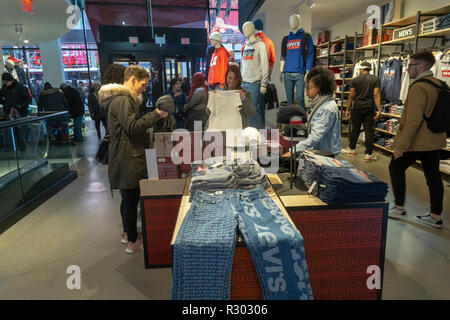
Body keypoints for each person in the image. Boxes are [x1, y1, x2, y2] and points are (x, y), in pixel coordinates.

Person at [98, 65, 171, 254]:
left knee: (127, 198)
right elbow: (132, 126)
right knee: (131, 199)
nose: (144, 88)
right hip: (128, 156)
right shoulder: (123, 100)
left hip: (124, 154)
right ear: (132, 80)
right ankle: (132, 241)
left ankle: (127, 234)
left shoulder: (119, 99)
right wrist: (156, 114)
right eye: (143, 84)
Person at [388, 51, 446, 229]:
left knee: (395, 167)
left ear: (420, 66)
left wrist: (401, 146)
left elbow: (412, 120)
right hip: (435, 139)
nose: (406, 69)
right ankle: (435, 216)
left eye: (410, 65)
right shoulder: (440, 84)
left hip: (417, 142)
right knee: (433, 176)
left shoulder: (419, 87)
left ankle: (398, 207)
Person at [293, 66, 342, 156]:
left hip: (327, 154)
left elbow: (315, 137)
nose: (306, 91)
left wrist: (293, 150)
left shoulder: (326, 109)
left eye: (309, 88)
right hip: (321, 149)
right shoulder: (321, 103)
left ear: (318, 88)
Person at [342, 61, 381, 162]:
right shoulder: (375, 79)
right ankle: (368, 154)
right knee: (369, 131)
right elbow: (376, 94)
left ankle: (351, 149)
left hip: (357, 107)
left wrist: (347, 108)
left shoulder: (355, 80)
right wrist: (379, 109)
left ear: (361, 69)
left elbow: (351, 95)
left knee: (355, 129)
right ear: (370, 69)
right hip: (369, 108)